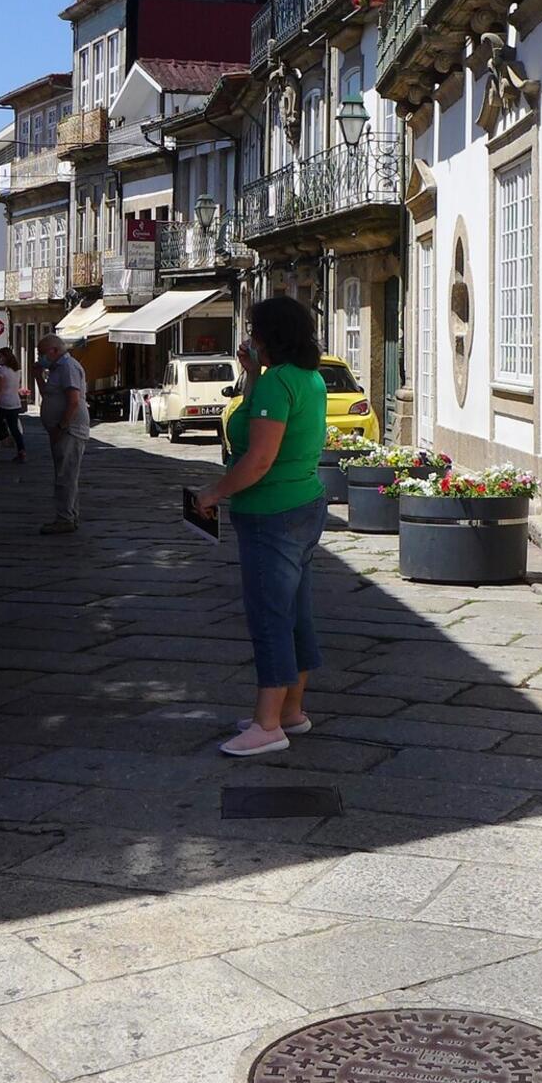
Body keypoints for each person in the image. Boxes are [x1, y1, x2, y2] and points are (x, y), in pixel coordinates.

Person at [190, 297, 330, 759]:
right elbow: (260, 431)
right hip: (305, 503)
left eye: (254, 330)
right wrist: (251, 375)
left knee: (269, 617)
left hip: (272, 513)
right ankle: (292, 710)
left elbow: (259, 458)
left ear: (273, 334)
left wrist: (213, 493)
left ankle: (267, 724)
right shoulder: (306, 378)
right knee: (296, 613)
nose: (249, 338)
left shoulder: (277, 386)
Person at [34, 334, 89, 534]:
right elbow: (49, 394)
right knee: (65, 474)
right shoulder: (56, 369)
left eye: (42, 353)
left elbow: (73, 400)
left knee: (66, 475)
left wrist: (61, 427)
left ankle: (65, 518)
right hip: (62, 430)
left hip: (69, 430)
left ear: (54, 351)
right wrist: (38, 376)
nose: (40, 357)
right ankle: (69, 515)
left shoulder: (67, 367)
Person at [0, 347, 27, 462]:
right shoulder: (16, 371)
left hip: (3, 403)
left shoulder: (1, 371)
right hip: (15, 403)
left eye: (0, 356)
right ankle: (22, 451)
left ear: (4, 357)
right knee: (14, 429)